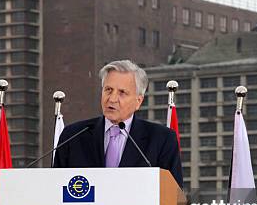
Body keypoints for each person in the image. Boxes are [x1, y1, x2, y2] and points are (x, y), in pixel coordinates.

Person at [53, 59, 183, 188]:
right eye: (108, 90)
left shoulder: (162, 139)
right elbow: (55, 189)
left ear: (138, 101)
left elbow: (174, 197)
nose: (112, 99)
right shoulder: (73, 136)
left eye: (122, 93)